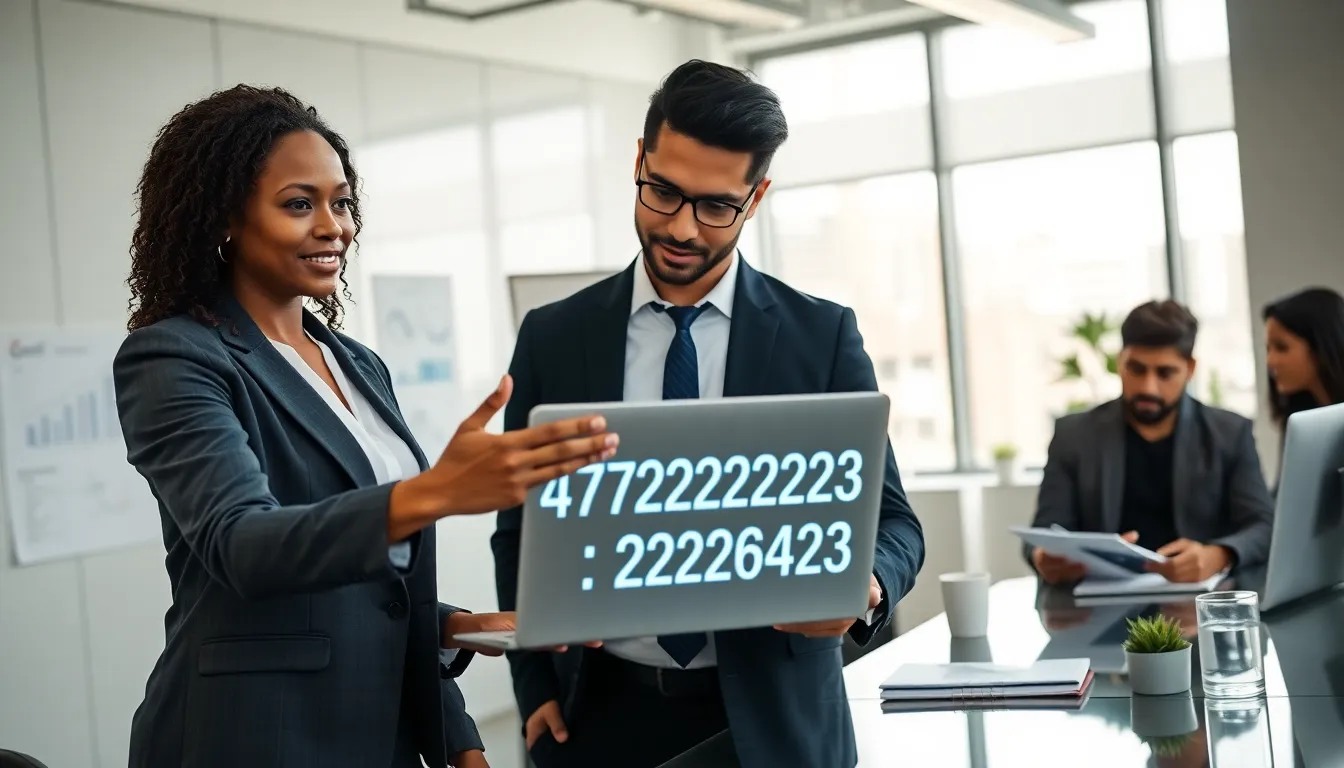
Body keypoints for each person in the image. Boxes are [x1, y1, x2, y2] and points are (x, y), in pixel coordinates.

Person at [114, 85, 617, 768]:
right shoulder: (174, 358)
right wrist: (438, 490)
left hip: (380, 734)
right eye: (300, 204)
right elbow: (244, 545)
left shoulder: (358, 366)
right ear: (224, 217)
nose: (334, 227)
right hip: (252, 737)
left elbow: (378, 588)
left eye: (342, 203)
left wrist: (459, 659)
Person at [490, 60, 926, 768]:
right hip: (600, 720)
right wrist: (533, 683)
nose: (683, 229)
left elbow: (895, 523)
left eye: (717, 206)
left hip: (779, 719)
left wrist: (865, 585)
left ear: (756, 199)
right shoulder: (553, 336)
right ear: (639, 160)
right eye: (663, 192)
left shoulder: (820, 338)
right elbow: (520, 526)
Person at [1025, 300, 1274, 585]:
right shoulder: (1074, 436)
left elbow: (1264, 525)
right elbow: (1043, 532)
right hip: (1099, 601)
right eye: (1136, 369)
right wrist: (1045, 557)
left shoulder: (1229, 434)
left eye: (1165, 373)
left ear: (1190, 369)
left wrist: (1218, 555)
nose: (1148, 387)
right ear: (1120, 362)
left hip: (1198, 599)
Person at [1262, 286, 1344, 435]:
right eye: (1268, 349)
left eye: (1282, 348)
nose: (1270, 361)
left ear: (1320, 347)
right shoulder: (1299, 421)